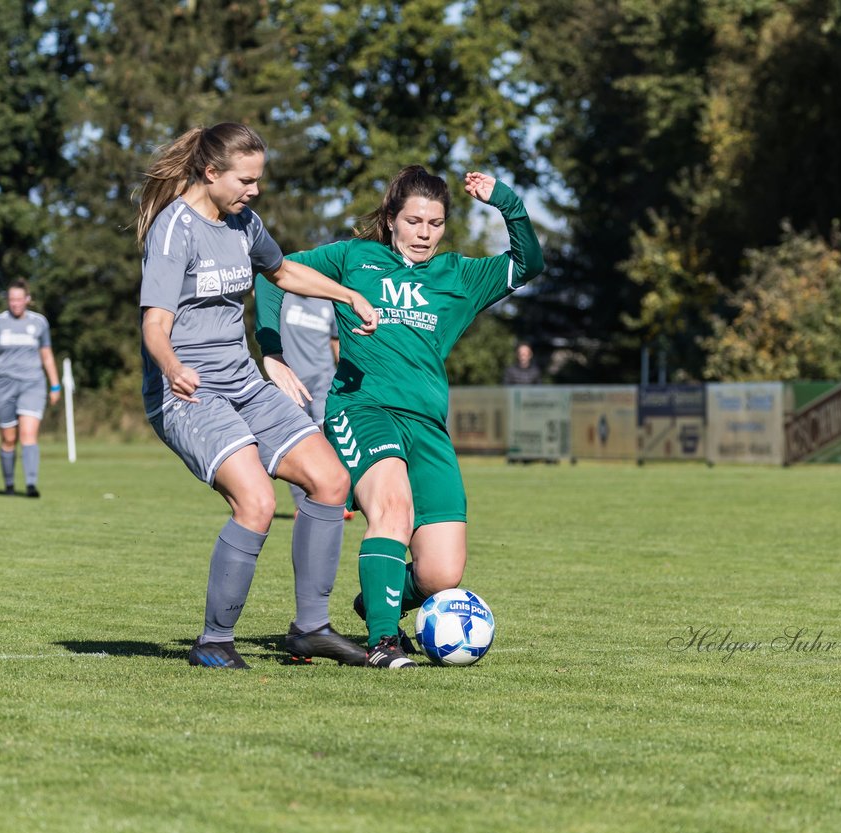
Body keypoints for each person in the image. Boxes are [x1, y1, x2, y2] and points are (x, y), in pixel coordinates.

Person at [256, 165, 544, 667]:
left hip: (428, 427)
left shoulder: (459, 277)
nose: (423, 233)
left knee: (441, 573)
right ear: (390, 219)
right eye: (413, 221)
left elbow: (529, 263)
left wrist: (506, 202)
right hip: (362, 407)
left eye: (434, 224)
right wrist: (271, 350)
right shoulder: (353, 258)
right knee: (393, 508)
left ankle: (375, 599)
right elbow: (274, 275)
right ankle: (384, 641)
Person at [136, 122, 379, 669]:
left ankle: (311, 629)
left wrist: (348, 296)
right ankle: (214, 642)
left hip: (244, 384)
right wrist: (172, 366)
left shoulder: (245, 223)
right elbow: (155, 323)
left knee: (331, 480)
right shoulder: (174, 230)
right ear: (211, 172)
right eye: (246, 180)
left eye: (258, 179)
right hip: (188, 396)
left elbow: (285, 270)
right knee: (258, 502)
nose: (255, 189)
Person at [267, 293, 352, 520]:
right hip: (291, 382)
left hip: (323, 380)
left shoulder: (328, 303)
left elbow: (335, 340)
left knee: (330, 437)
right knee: (295, 444)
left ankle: (337, 499)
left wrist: (345, 371)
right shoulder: (283, 297)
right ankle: (302, 504)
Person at [0, 278, 60, 498]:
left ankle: (31, 486)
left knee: (28, 434)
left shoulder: (39, 322)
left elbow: (47, 355)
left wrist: (55, 385)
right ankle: (9, 485)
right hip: (4, 385)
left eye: (19, 299)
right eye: (11, 299)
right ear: (7, 300)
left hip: (33, 383)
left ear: (27, 300)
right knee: (9, 439)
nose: (15, 303)